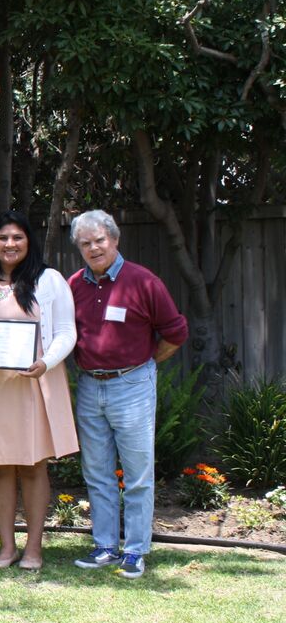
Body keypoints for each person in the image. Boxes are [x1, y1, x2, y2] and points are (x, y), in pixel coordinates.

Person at [0, 211, 78, 571]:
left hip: (34, 382)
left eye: (17, 237)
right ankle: (6, 548)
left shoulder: (49, 280)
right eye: (3, 237)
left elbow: (67, 332)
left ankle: (34, 549)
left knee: (35, 466)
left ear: (29, 242)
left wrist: (47, 363)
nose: (10, 244)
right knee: (0, 467)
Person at [67, 209, 187, 579]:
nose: (93, 248)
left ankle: (135, 549)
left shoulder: (143, 281)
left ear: (115, 240)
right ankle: (104, 545)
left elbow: (175, 333)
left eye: (99, 240)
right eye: (85, 243)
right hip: (89, 384)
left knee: (137, 472)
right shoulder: (74, 285)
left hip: (132, 384)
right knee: (97, 471)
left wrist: (145, 364)